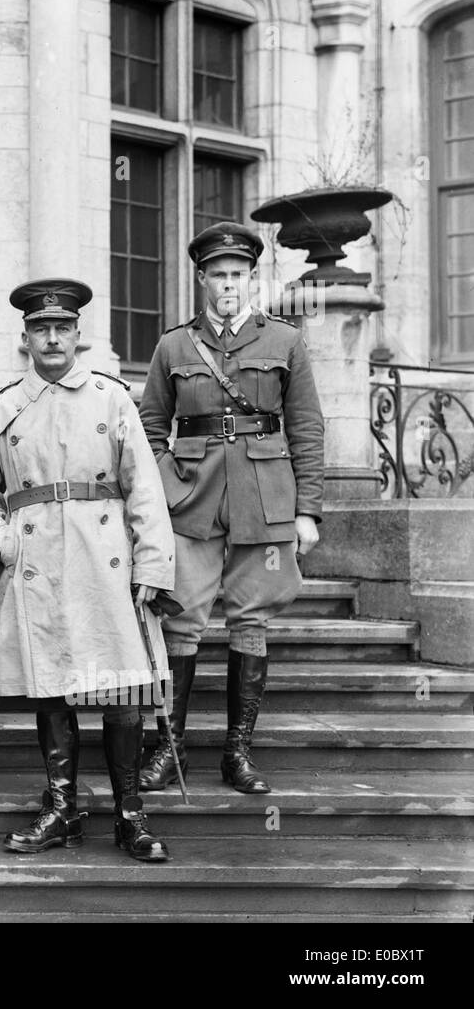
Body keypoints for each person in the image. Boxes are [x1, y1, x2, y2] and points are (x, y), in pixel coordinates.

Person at [0, 279, 175, 862]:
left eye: (62, 328)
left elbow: (144, 487)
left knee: (121, 686)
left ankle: (131, 816)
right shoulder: (5, 405)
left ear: (79, 336)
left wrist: (152, 560)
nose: (52, 339)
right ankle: (62, 810)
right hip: (37, 563)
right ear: (25, 339)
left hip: (104, 560)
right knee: (52, 689)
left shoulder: (111, 398)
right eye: (40, 329)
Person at [137, 222, 324, 795]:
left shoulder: (284, 341)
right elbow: (148, 426)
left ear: (252, 279)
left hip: (265, 501)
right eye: (217, 275)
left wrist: (307, 510)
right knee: (182, 620)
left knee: (250, 619)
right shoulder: (174, 344)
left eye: (237, 275)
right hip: (191, 504)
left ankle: (237, 753)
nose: (228, 285)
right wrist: (169, 486)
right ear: (201, 279)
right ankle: (170, 751)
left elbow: (307, 428)